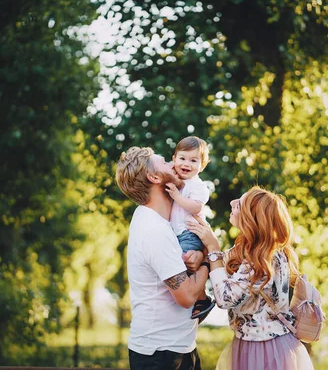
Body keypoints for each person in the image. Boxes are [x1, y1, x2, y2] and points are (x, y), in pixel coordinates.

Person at [187, 186, 315, 370]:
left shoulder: (261, 260)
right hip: (254, 343)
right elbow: (221, 268)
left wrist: (214, 249)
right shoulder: (262, 251)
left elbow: (225, 298)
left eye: (239, 204)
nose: (232, 203)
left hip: (264, 348)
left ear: (251, 219)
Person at [115, 146, 211, 370]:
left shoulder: (165, 224)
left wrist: (202, 253)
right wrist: (207, 259)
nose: (174, 164)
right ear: (155, 177)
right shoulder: (154, 230)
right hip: (160, 355)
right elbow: (186, 296)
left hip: (180, 348)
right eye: (165, 163)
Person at [165, 136, 215, 321]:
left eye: (193, 161)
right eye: (182, 158)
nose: (186, 164)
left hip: (190, 233)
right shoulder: (175, 178)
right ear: (174, 158)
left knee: (180, 264)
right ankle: (200, 298)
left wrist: (177, 196)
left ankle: (199, 297)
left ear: (201, 165)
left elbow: (196, 207)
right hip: (178, 233)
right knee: (182, 265)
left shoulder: (197, 186)